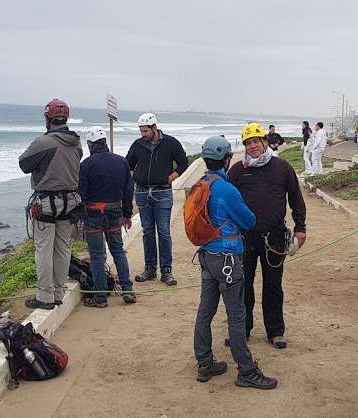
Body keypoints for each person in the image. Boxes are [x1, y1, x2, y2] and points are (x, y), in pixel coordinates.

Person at [192, 136, 279, 390]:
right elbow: (249, 221)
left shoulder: (202, 183)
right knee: (237, 314)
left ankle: (205, 362)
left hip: (207, 255)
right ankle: (246, 370)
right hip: (227, 257)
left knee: (205, 310)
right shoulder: (226, 189)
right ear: (227, 159)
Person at [228, 123, 307, 349]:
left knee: (273, 285)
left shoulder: (282, 167)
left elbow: (296, 199)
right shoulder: (237, 171)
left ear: (264, 142)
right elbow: (226, 203)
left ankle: (275, 331)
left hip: (274, 237)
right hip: (245, 238)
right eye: (248, 143)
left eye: (256, 141)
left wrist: (300, 228)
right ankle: (242, 329)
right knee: (244, 285)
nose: (252, 146)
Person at [18, 99, 83, 310]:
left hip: (47, 202)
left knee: (44, 249)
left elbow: (24, 164)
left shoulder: (43, 142)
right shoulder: (76, 142)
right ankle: (58, 292)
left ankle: (45, 296)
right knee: (62, 248)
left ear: (48, 118)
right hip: (70, 202)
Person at [126, 112, 189, 286]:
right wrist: (136, 176)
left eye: (145, 131)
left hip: (162, 192)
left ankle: (166, 271)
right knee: (147, 232)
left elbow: (183, 162)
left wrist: (171, 177)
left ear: (154, 128)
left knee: (163, 231)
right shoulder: (138, 145)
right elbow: (127, 164)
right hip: (142, 192)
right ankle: (150, 269)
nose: (143, 134)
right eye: (141, 131)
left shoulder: (170, 143)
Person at [79, 126, 136, 308]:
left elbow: (82, 194)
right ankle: (127, 290)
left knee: (96, 256)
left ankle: (101, 297)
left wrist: (79, 217)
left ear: (90, 144)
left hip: (93, 213)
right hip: (115, 212)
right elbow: (128, 190)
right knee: (118, 251)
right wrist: (127, 214)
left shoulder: (86, 165)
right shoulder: (121, 162)